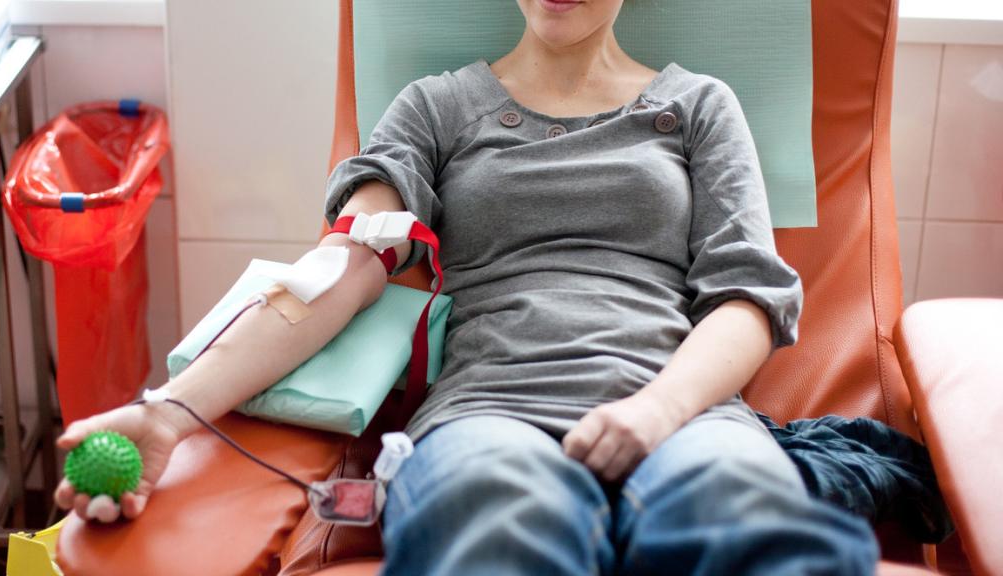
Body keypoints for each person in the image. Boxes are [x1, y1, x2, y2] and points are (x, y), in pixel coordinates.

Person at [55, 0, 880, 573]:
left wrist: (658, 411)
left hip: (686, 416)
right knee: (490, 522)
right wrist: (169, 412)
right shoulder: (436, 109)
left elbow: (747, 299)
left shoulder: (700, 106)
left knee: (744, 515)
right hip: (489, 417)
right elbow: (342, 272)